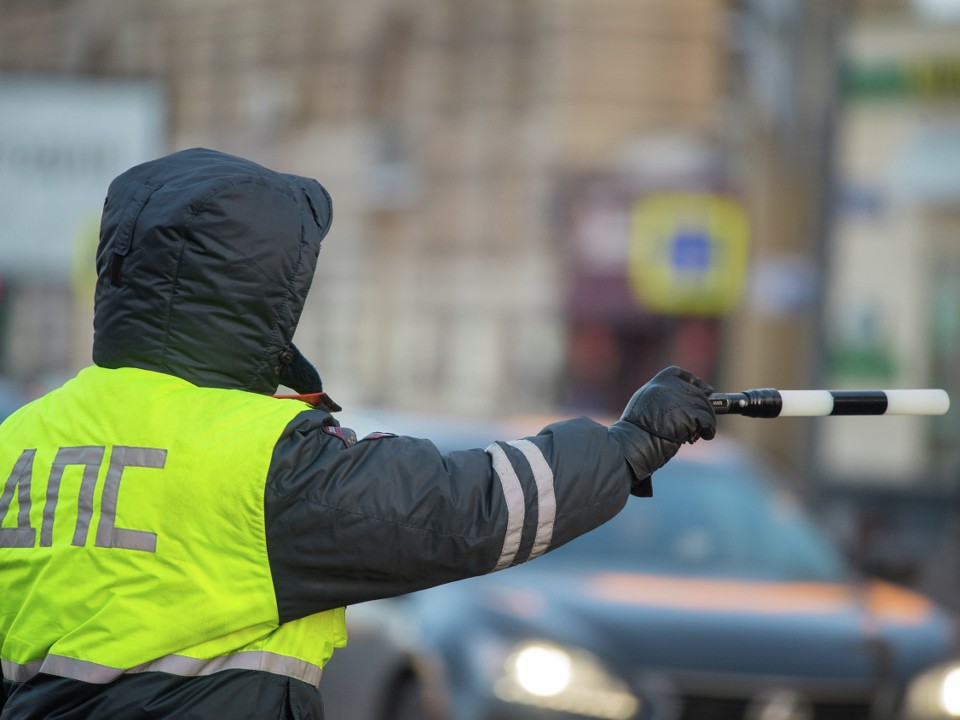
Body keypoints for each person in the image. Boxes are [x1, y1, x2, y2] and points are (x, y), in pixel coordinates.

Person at [0, 147, 716, 719]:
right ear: (263, 292)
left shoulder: (22, 437)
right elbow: (465, 509)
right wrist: (626, 447)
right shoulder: (262, 457)